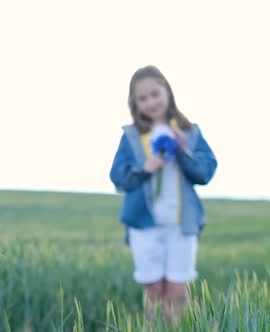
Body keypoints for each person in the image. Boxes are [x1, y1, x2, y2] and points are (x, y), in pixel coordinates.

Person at [109, 65, 217, 322]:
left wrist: (182, 152)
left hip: (182, 225)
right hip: (144, 226)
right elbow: (118, 178)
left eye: (155, 94)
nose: (150, 102)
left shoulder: (190, 133)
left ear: (167, 92)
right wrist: (144, 169)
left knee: (178, 291)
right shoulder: (131, 137)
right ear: (135, 104)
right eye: (142, 98)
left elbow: (206, 172)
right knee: (154, 291)